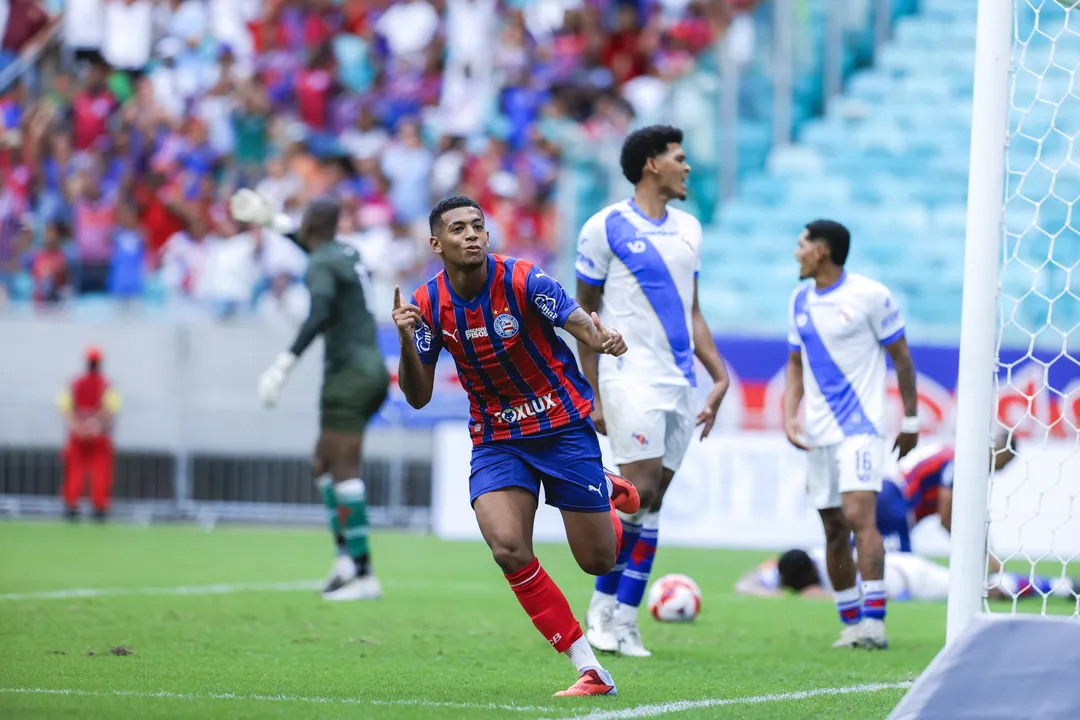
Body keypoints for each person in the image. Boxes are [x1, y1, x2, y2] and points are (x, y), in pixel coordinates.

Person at [392, 195, 640, 698]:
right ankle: (590, 668)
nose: (472, 235)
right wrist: (404, 339)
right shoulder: (427, 306)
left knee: (598, 560)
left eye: (478, 226)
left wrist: (601, 337)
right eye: (458, 228)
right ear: (437, 243)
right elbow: (417, 398)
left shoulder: (524, 279)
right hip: (498, 439)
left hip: (562, 428)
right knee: (506, 546)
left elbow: (575, 319)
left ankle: (604, 489)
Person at [575, 125, 730, 658]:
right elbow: (583, 316)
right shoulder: (604, 227)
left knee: (654, 500)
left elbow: (693, 310)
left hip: (680, 380)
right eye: (679, 158)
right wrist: (590, 388)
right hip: (629, 375)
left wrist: (721, 374)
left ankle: (625, 618)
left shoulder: (690, 228)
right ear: (650, 165)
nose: (688, 167)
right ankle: (599, 611)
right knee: (637, 489)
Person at [229, 189, 390, 602]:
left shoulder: (321, 262)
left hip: (348, 376)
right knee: (322, 464)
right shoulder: (345, 253)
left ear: (310, 227)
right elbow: (308, 242)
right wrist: (271, 220)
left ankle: (363, 573)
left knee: (343, 469)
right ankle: (344, 561)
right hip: (367, 369)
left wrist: (282, 365)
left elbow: (318, 312)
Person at [783, 219, 920, 650]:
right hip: (819, 434)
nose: (796, 252)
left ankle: (875, 622)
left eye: (801, 244)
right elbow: (793, 363)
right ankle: (852, 621)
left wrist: (912, 421)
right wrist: (791, 416)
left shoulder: (870, 296)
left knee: (861, 518)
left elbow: (902, 358)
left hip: (861, 429)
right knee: (832, 527)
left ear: (821, 250)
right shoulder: (799, 300)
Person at [734, 547, 1078, 604]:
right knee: (983, 588)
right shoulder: (793, 563)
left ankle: (1062, 586)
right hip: (897, 569)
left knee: (985, 590)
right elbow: (745, 582)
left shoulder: (831, 569)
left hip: (908, 576)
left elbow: (885, 592)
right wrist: (768, 592)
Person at [877, 431, 1018, 553]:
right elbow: (946, 517)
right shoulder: (959, 463)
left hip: (887, 494)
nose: (1002, 469)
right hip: (894, 500)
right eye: (1005, 461)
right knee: (901, 567)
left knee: (867, 552)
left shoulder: (959, 458)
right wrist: (974, 551)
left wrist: (985, 550)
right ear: (998, 451)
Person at [58, 346, 120, 521]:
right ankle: (99, 508)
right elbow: (111, 410)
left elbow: (64, 408)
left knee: (75, 471)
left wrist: (78, 426)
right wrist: (93, 425)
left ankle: (72, 505)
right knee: (100, 471)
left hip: (78, 436)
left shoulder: (75, 383)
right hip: (99, 436)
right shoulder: (106, 385)